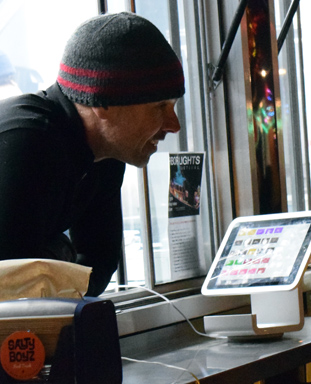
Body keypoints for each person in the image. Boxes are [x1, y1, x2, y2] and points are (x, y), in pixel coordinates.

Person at [0, 12, 184, 296]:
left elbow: (96, 268)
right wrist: (60, 257)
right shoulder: (26, 142)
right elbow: (14, 291)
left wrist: (53, 258)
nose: (174, 125)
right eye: (160, 106)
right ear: (102, 101)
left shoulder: (104, 153)